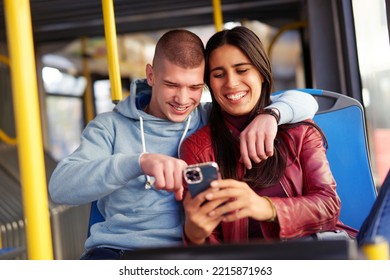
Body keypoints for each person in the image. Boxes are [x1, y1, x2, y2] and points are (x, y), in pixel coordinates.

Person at [48, 29, 318, 259]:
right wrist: (140, 162)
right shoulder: (110, 126)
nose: (182, 99)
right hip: (118, 251)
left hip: (190, 254)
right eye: (171, 85)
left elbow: (307, 101)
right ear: (151, 76)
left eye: (194, 87)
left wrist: (271, 116)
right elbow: (60, 188)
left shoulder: (208, 117)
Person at [180, 26, 358, 246]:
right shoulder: (198, 148)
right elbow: (211, 248)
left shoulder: (298, 130)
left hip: (312, 252)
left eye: (242, 70)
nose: (231, 83)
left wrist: (266, 207)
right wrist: (195, 235)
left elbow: (329, 206)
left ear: (262, 74)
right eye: (218, 74)